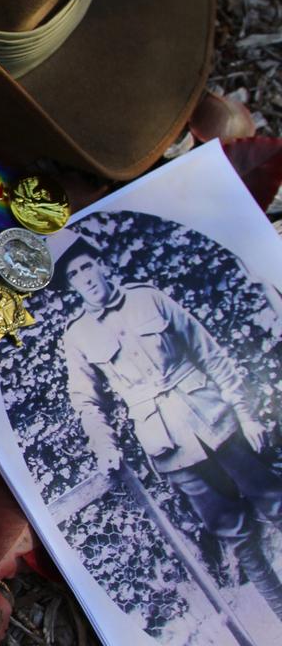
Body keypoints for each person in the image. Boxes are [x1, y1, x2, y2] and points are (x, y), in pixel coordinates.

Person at [56, 237, 282, 619]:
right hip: (173, 451)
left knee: (276, 502)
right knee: (238, 537)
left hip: (220, 424)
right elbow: (86, 400)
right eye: (74, 275)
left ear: (102, 264)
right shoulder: (77, 336)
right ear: (73, 287)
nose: (85, 277)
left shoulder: (149, 298)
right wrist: (104, 446)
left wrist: (245, 413)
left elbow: (208, 351)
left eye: (87, 265)